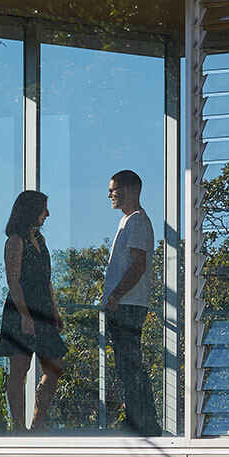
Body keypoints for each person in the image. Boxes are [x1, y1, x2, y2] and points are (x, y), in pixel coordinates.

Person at [0, 190, 66, 432]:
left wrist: (54, 311)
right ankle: (18, 427)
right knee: (19, 368)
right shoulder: (15, 241)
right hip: (20, 310)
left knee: (54, 366)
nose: (47, 214)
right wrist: (25, 316)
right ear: (31, 210)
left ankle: (38, 422)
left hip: (43, 309)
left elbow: (47, 280)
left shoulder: (40, 240)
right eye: (44, 209)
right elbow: (13, 281)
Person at [102, 169, 161, 436]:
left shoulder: (137, 221)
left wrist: (116, 296)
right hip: (124, 304)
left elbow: (138, 265)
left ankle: (143, 423)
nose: (110, 195)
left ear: (128, 190)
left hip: (128, 305)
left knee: (130, 365)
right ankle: (139, 420)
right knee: (127, 366)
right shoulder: (127, 221)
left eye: (113, 190)